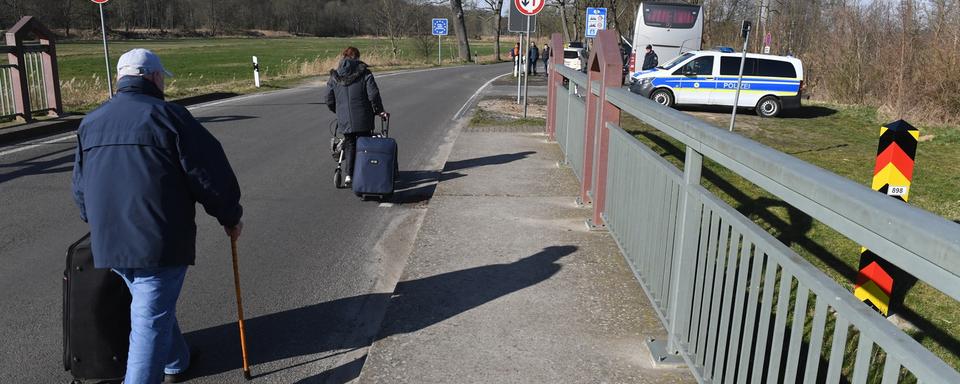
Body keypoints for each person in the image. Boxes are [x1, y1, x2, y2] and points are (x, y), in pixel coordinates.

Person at [72, 48, 244, 384]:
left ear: (121, 79)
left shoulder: (90, 122)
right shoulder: (170, 116)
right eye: (161, 77)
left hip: (110, 241)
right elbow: (209, 174)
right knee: (149, 318)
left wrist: (95, 221)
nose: (163, 83)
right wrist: (230, 216)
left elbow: (80, 187)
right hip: (158, 241)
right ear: (152, 77)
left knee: (148, 304)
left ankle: (177, 360)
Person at [325, 46, 388, 186]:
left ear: (343, 57)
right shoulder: (365, 74)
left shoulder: (334, 77)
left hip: (344, 119)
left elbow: (328, 99)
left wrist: (339, 111)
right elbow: (373, 95)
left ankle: (349, 175)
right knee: (364, 144)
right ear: (357, 58)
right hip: (364, 118)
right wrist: (379, 111)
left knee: (350, 143)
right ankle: (364, 173)